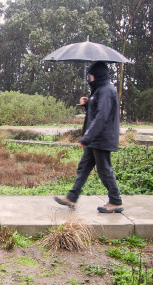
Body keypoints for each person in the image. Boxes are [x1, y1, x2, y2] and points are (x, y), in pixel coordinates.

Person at [54, 61, 123, 213]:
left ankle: (116, 201)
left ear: (96, 75)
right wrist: (87, 104)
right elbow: (98, 110)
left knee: (104, 170)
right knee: (83, 167)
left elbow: (102, 116)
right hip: (96, 139)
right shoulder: (100, 90)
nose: (89, 78)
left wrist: (87, 138)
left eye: (91, 75)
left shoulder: (105, 90)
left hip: (101, 139)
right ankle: (72, 197)